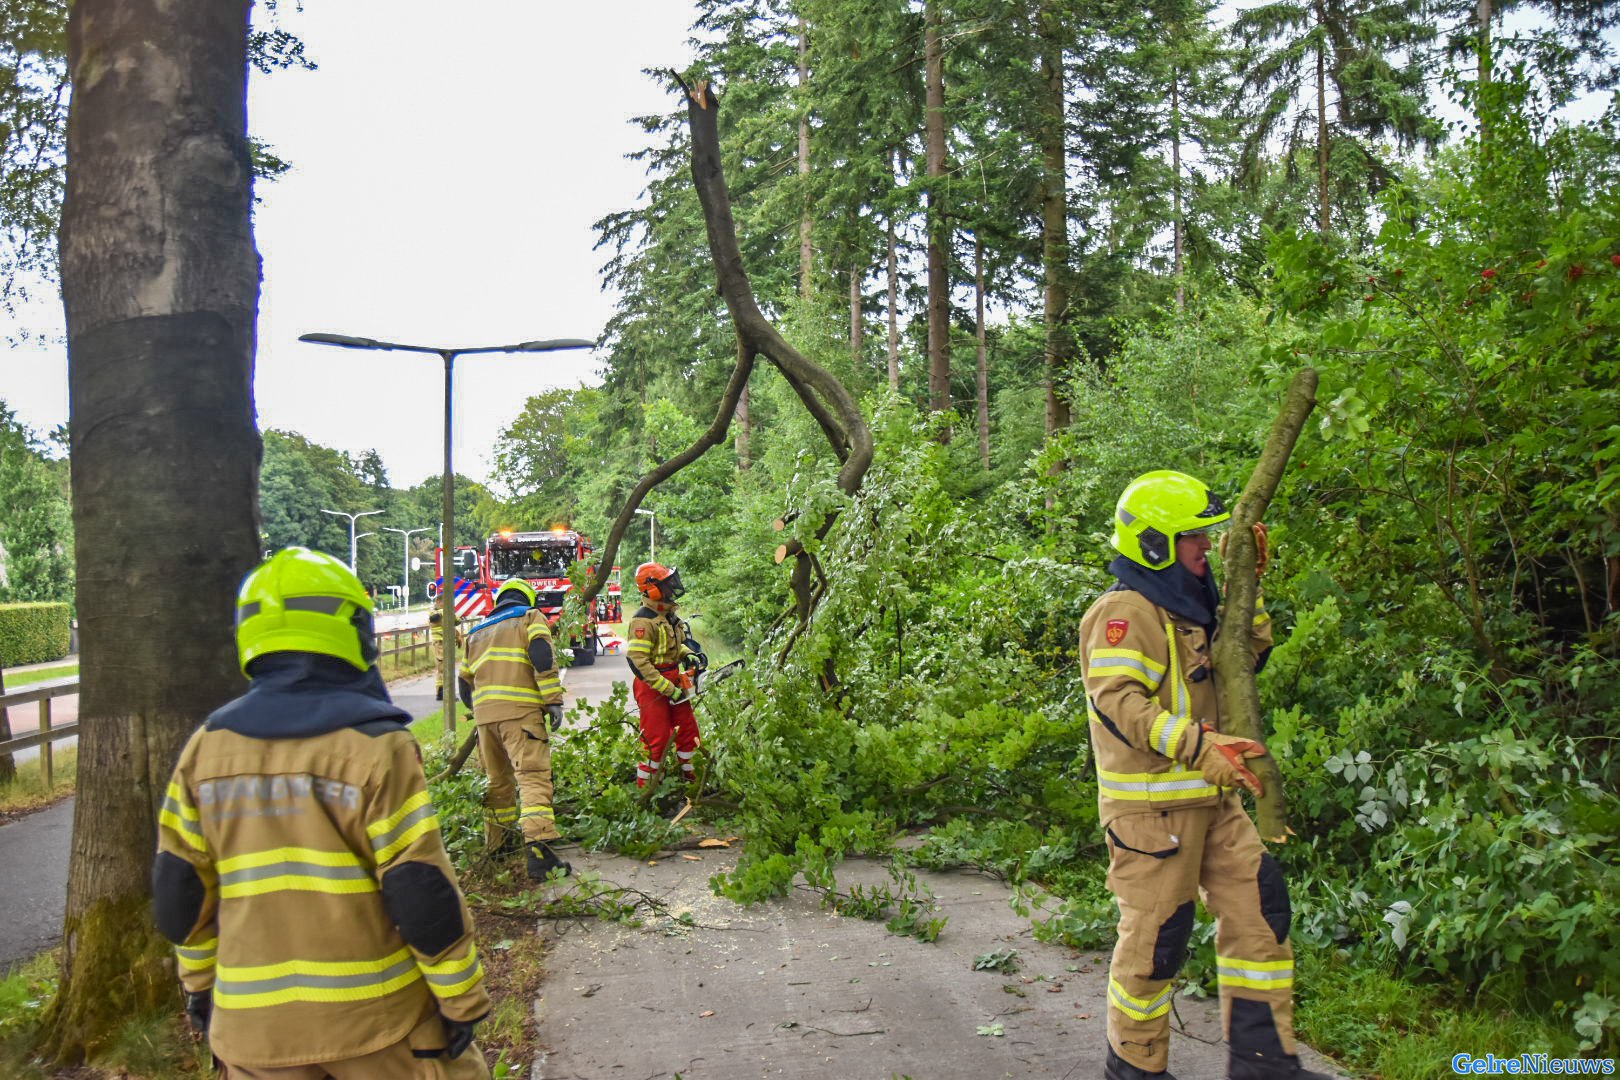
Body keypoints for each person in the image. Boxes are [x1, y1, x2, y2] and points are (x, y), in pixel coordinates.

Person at [152, 547, 490, 1079]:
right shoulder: (378, 746)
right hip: (380, 1026)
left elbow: (181, 894)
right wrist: (461, 1001)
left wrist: (199, 989)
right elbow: (418, 888)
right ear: (353, 630)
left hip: (253, 1034)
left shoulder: (205, 749)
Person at [1080, 471, 1326, 1080]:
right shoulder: (1123, 612)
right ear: (1156, 544)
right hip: (1150, 816)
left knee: (1260, 911)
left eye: (1210, 537)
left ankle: (1266, 1067)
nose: (1207, 547)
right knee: (1156, 945)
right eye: (1195, 537)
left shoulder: (1192, 606)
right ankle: (1135, 1071)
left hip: (1213, 803)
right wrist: (1199, 745)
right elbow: (1120, 703)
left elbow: (1245, 655)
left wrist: (1251, 587)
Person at [457, 578, 570, 879]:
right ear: (527, 599)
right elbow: (542, 657)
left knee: (497, 783)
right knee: (532, 777)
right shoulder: (531, 617)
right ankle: (539, 853)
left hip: (484, 719)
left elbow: (463, 683)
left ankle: (499, 847)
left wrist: (481, 711)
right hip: (521, 715)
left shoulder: (476, 631)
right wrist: (553, 701)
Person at [624, 562, 703, 792]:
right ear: (652, 588)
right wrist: (668, 689)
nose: (671, 589)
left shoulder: (667, 616)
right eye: (666, 584)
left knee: (688, 731)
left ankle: (694, 781)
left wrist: (688, 654)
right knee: (655, 739)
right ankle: (648, 791)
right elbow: (639, 662)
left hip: (673, 679)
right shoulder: (643, 621)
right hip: (652, 685)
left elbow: (671, 648)